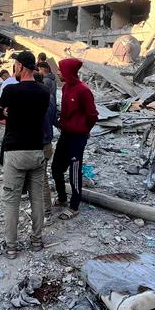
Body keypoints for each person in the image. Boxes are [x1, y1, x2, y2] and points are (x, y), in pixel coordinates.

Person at [0, 51, 50, 257]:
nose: (14, 68)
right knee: (37, 199)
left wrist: (9, 112)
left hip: (14, 151)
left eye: (15, 64)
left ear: (20, 66)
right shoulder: (44, 91)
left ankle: (11, 246)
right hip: (36, 150)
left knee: (11, 200)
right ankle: (36, 240)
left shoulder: (10, 90)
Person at [52, 58, 98, 220]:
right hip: (65, 134)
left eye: (60, 69)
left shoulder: (83, 91)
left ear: (68, 72)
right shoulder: (65, 88)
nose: (57, 72)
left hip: (77, 137)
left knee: (74, 170)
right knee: (56, 167)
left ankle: (74, 205)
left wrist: (85, 130)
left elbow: (92, 115)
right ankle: (62, 197)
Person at [37, 62, 58, 218]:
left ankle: (46, 211)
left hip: (39, 144)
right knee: (41, 177)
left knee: (40, 179)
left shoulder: (35, 98)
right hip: (47, 143)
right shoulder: (50, 96)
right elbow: (54, 118)